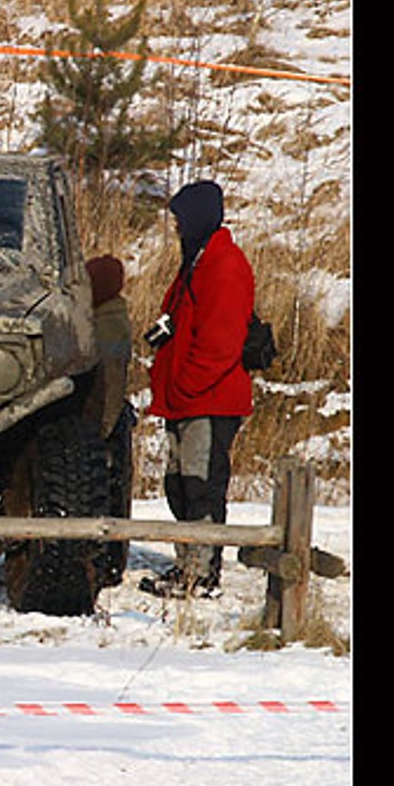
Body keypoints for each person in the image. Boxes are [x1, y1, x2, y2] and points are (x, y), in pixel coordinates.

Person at [140, 180, 254, 597]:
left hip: (207, 399)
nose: (175, 227)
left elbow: (219, 345)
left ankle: (202, 575)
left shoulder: (224, 266)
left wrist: (186, 386)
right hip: (187, 399)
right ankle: (189, 567)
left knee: (201, 484)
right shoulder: (198, 261)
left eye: (179, 219)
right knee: (181, 484)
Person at [85, 254, 135, 585]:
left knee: (106, 492)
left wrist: (98, 429)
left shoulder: (106, 322)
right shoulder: (110, 316)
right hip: (108, 418)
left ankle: (106, 564)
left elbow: (109, 381)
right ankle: (108, 562)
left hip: (103, 420)